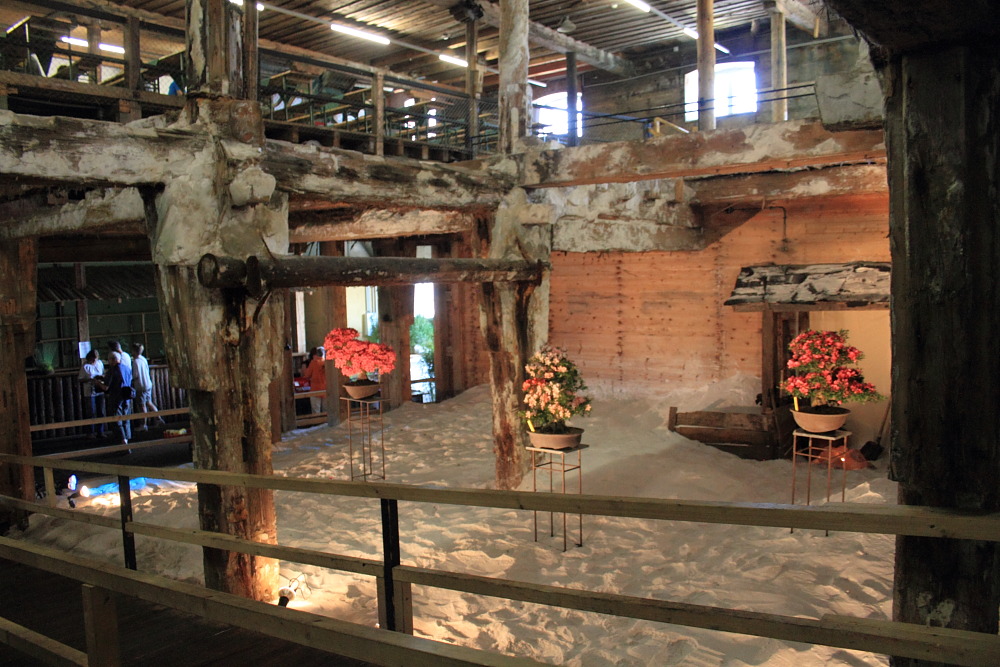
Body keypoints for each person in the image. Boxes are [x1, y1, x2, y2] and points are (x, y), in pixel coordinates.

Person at [132, 343, 164, 431]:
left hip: (140, 385)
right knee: (149, 402)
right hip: (148, 384)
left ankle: (143, 425)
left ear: (134, 351)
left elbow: (135, 375)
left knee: (142, 405)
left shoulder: (135, 362)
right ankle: (159, 419)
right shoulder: (143, 359)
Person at [106, 351, 133, 446]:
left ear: (112, 360)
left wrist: (97, 383)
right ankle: (127, 439)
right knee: (126, 419)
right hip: (127, 396)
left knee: (117, 419)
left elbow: (106, 387)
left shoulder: (112, 370)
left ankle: (122, 440)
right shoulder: (127, 368)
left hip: (116, 397)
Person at [78, 349, 105, 439]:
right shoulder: (85, 366)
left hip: (99, 390)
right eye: (92, 359)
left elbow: (103, 373)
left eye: (95, 359)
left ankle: (100, 431)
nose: (94, 361)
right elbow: (80, 379)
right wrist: (89, 380)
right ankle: (90, 432)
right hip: (89, 392)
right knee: (91, 412)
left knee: (101, 411)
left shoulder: (100, 363)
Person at [299, 346, 327, 414]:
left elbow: (307, 375)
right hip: (326, 389)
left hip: (315, 390)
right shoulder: (326, 363)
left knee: (316, 411)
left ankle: (317, 421)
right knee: (326, 411)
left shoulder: (313, 363)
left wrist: (301, 371)